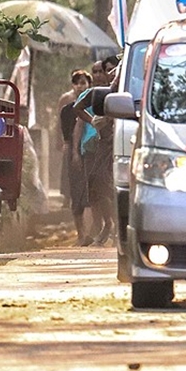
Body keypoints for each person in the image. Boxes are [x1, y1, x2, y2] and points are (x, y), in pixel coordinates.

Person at [73, 57, 119, 246]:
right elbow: (78, 108)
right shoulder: (98, 93)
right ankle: (108, 223)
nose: (109, 74)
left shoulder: (125, 89)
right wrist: (93, 121)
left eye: (111, 70)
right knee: (97, 182)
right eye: (103, 70)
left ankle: (117, 226)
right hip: (104, 145)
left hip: (126, 143)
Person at [59, 70, 92, 244]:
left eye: (84, 83)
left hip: (92, 153)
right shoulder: (67, 110)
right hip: (74, 153)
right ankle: (81, 234)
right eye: (78, 83)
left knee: (90, 194)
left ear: (89, 85)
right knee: (76, 194)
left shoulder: (94, 107)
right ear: (73, 86)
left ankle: (90, 233)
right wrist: (72, 153)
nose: (81, 86)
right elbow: (66, 137)